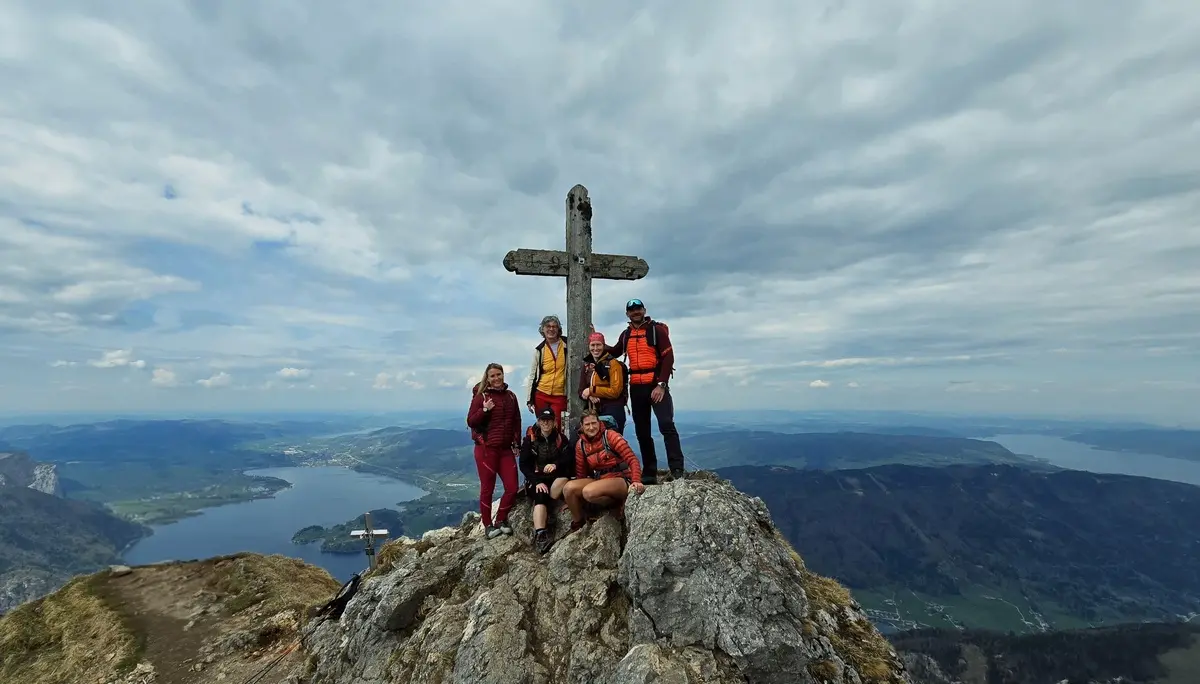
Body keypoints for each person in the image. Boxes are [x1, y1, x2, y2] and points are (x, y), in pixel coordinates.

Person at [605, 298, 685, 484]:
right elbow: (615, 352)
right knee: (642, 430)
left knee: (666, 424)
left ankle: (677, 468)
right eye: (632, 310)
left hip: (656, 384)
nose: (636, 312)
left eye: (638, 309)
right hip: (636, 386)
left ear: (644, 310)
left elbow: (668, 357)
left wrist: (661, 384)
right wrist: (596, 339)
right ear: (627, 314)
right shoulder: (626, 335)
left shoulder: (656, 331)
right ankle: (649, 472)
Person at [563, 410, 645, 532]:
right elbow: (581, 473)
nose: (591, 427)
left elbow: (632, 459)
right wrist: (573, 500)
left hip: (621, 479)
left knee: (588, 492)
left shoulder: (611, 436)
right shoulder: (581, 445)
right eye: (587, 424)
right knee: (568, 489)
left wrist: (636, 480)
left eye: (594, 423)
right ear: (582, 426)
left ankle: (616, 505)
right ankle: (578, 522)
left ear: (599, 422)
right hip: (600, 480)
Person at [466, 362, 522, 539]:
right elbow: (471, 421)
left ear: (503, 375)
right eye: (493, 376)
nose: (497, 378)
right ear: (487, 378)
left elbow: (516, 420)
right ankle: (488, 526)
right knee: (487, 489)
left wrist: (517, 443)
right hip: (486, 449)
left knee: (512, 487)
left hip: (505, 449)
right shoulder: (481, 397)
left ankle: (501, 520)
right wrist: (485, 409)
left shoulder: (511, 396)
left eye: (499, 374)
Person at [518, 407, 574, 554]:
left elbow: (569, 458)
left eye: (549, 420)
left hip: (556, 478)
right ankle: (541, 534)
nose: (546, 423)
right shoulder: (530, 440)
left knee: (563, 480)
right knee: (541, 495)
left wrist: (556, 465)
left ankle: (547, 511)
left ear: (554, 422)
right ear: (538, 421)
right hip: (537, 479)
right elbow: (523, 465)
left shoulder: (561, 439)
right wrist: (536, 482)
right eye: (543, 420)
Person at [579, 332, 628, 434]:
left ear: (604, 345)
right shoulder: (587, 366)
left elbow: (615, 391)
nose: (595, 348)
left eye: (598, 345)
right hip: (595, 411)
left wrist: (592, 391)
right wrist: (590, 396)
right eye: (592, 345)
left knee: (613, 440)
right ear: (589, 346)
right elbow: (581, 390)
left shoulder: (613, 364)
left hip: (613, 409)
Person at [525, 315, 568, 428]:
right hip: (541, 394)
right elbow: (533, 375)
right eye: (548, 326)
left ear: (558, 329)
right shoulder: (539, 350)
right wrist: (529, 400)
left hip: (560, 394)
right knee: (543, 426)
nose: (551, 329)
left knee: (557, 426)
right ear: (542, 329)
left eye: (554, 326)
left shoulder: (567, 344)